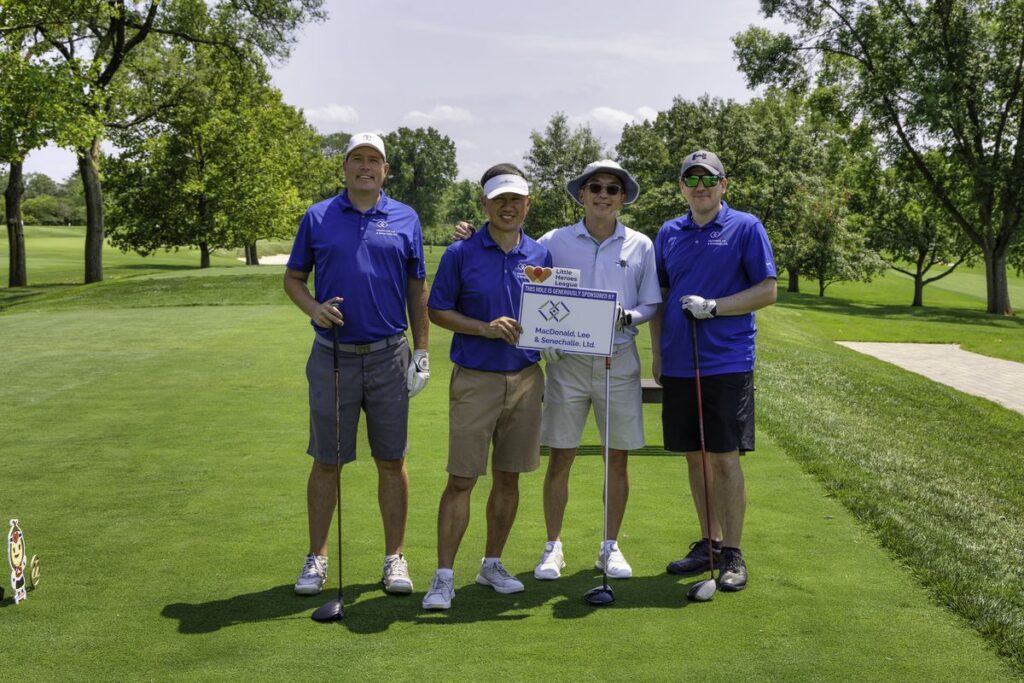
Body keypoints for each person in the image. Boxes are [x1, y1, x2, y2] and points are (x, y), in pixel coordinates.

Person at [457, 160, 661, 580]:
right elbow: (522, 260)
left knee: (616, 458)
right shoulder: (554, 242)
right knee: (561, 457)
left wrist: (631, 316)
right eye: (595, 188)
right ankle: (553, 546)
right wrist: (468, 237)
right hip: (567, 362)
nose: (603, 195)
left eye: (612, 189)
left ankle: (610, 546)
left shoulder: (640, 245)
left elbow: (651, 303)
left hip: (617, 360)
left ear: (622, 197)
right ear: (581, 195)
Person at [284, 132, 430, 598]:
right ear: (344, 167)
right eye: (357, 159)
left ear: (386, 170)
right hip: (333, 355)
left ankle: (395, 558)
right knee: (327, 461)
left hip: (390, 354)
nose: (365, 167)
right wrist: (312, 308)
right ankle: (317, 558)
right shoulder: (318, 216)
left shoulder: (406, 218)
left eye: (374, 160)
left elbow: (416, 290)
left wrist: (422, 351)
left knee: (392, 460)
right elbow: (293, 278)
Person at [421, 164, 552, 611]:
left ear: (528, 204)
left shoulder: (540, 256)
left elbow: (553, 313)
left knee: (509, 476)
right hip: (476, 376)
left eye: (516, 199)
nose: (508, 207)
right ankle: (443, 577)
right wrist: (483, 327)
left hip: (526, 377)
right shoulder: (460, 253)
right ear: (484, 205)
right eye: (500, 200)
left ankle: (491, 564)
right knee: (462, 478)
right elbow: (438, 310)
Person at [650, 150, 777, 592]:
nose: (700, 185)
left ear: (724, 184)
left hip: (727, 360)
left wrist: (717, 308)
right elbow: (662, 295)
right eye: (691, 178)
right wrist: (659, 353)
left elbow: (767, 290)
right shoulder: (668, 232)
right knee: (695, 457)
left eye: (709, 178)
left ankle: (733, 553)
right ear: (682, 187)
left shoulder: (746, 227)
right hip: (681, 362)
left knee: (724, 458)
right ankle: (709, 541)